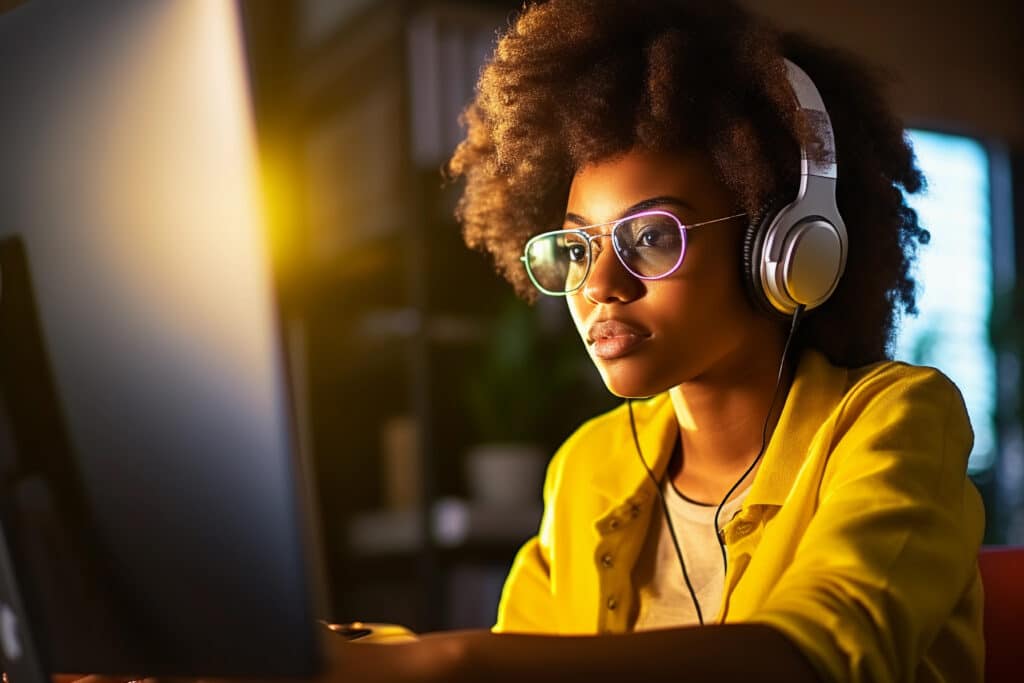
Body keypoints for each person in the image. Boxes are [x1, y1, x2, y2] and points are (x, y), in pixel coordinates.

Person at [66, 1, 986, 682]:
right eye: (576, 246)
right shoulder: (590, 467)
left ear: (784, 247)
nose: (599, 284)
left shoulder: (896, 421)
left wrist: (442, 665)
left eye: (651, 238)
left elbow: (821, 655)